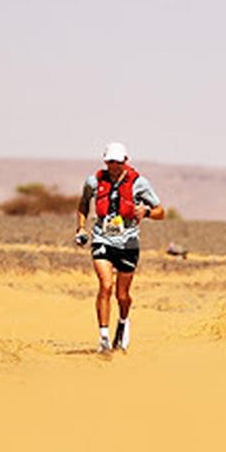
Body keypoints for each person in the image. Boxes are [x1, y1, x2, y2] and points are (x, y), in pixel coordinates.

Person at [75, 142, 164, 353]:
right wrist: (81, 228)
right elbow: (83, 204)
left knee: (122, 295)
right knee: (105, 285)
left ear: (126, 161)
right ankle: (103, 337)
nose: (114, 166)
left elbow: (161, 211)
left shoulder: (140, 183)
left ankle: (123, 322)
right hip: (102, 239)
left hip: (128, 244)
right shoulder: (93, 182)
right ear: (105, 161)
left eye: (118, 162)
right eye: (110, 162)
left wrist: (147, 213)